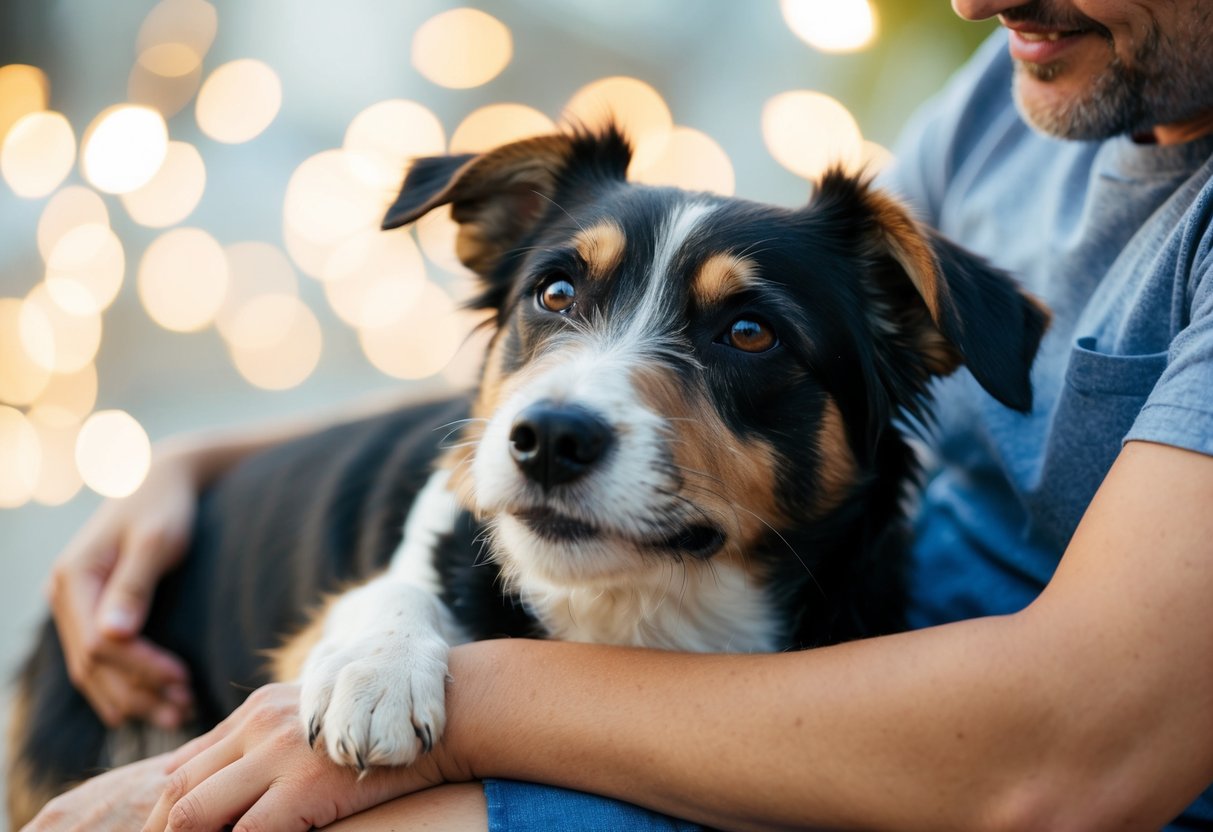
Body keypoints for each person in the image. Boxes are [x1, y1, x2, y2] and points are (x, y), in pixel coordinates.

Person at [24, 0, 1213, 829]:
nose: (979, 2)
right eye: (553, 288)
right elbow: (572, 374)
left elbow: (1069, 756)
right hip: (140, 675)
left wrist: (468, 711)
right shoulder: (1033, 80)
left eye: (743, 336)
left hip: (930, 745)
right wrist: (204, 457)